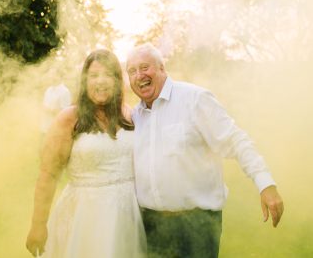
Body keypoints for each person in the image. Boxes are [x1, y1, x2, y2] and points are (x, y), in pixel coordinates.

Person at [126, 44, 284, 258]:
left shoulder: (194, 99)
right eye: (132, 71)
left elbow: (235, 141)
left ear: (162, 68)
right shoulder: (136, 116)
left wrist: (266, 184)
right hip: (151, 226)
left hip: (197, 225)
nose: (139, 75)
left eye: (145, 67)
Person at [25, 49, 145, 258]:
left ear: (118, 80)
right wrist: (38, 225)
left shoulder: (131, 114)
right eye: (94, 75)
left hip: (127, 218)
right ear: (84, 81)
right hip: (85, 218)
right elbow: (48, 175)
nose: (101, 81)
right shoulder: (69, 118)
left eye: (108, 74)